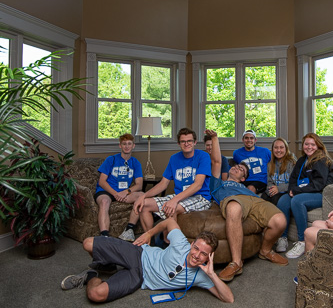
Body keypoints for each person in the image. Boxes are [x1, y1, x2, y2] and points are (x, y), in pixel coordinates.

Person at [60, 218, 234, 303]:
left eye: (203, 254)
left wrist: (212, 274)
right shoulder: (181, 243)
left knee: (95, 294)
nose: (197, 255)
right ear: (191, 244)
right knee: (88, 243)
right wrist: (149, 233)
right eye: (196, 248)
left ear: (209, 257)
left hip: (140, 278)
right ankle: (108, 265)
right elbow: (170, 221)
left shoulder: (201, 276)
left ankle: (91, 275)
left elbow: (229, 299)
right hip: (139, 254)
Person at [206, 129, 288, 282]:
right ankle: (236, 263)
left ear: (243, 179)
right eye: (236, 166)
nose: (237, 167)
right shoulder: (218, 183)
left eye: (241, 170)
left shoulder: (246, 187)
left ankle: (265, 250)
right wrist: (215, 138)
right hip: (233, 199)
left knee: (280, 220)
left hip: (253, 200)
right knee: (234, 207)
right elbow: (217, 161)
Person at [134, 128, 212, 233]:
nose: (186, 144)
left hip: (200, 197)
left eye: (189, 141)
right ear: (179, 143)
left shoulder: (203, 156)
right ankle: (149, 240)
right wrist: (143, 196)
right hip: (179, 196)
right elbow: (163, 183)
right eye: (183, 141)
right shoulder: (174, 158)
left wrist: (174, 200)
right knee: (144, 205)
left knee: (171, 208)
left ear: (195, 142)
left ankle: (170, 241)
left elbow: (198, 185)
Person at [276, 133, 333, 258]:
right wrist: (291, 189)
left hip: (320, 193)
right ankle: (283, 237)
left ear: (318, 146)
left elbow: (318, 185)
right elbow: (293, 178)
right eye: (306, 144)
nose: (309, 147)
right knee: (283, 201)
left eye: (313, 144)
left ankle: (302, 241)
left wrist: (297, 191)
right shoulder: (301, 160)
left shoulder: (321, 160)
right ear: (303, 145)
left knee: (297, 201)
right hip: (304, 191)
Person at [95, 133, 145, 241]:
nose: (127, 146)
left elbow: (139, 185)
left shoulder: (135, 163)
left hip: (124, 192)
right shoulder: (111, 159)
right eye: (124, 144)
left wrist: (126, 192)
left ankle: (128, 230)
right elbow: (102, 182)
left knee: (142, 196)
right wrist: (115, 194)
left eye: (129, 144)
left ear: (133, 146)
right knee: (104, 202)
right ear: (120, 146)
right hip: (106, 191)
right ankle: (104, 236)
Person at [232, 130, 272, 194]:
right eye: (246, 138)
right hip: (244, 180)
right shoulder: (237, 153)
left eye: (251, 138)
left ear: (255, 140)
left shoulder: (265, 152)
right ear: (243, 140)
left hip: (260, 180)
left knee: (251, 188)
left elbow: (275, 163)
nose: (249, 140)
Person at [262, 137, 296, 206]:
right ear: (272, 149)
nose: (278, 150)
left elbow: (294, 183)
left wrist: (279, 188)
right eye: (276, 147)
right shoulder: (270, 164)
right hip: (274, 190)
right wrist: (271, 190)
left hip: (286, 190)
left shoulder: (292, 163)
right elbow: (269, 181)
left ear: (286, 149)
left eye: (281, 147)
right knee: (264, 197)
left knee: (275, 199)